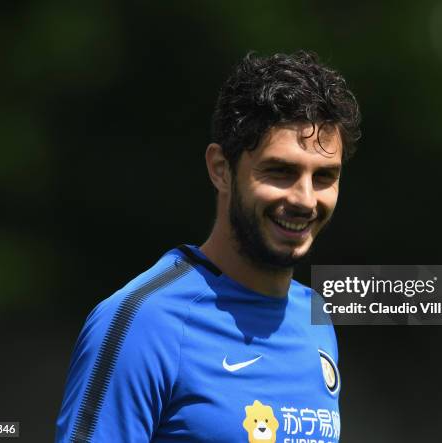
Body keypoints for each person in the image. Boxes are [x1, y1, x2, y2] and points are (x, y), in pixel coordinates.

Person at [56, 50, 360, 443]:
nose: (304, 198)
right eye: (280, 171)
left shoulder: (314, 318)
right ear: (221, 170)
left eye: (324, 177)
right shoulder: (144, 323)